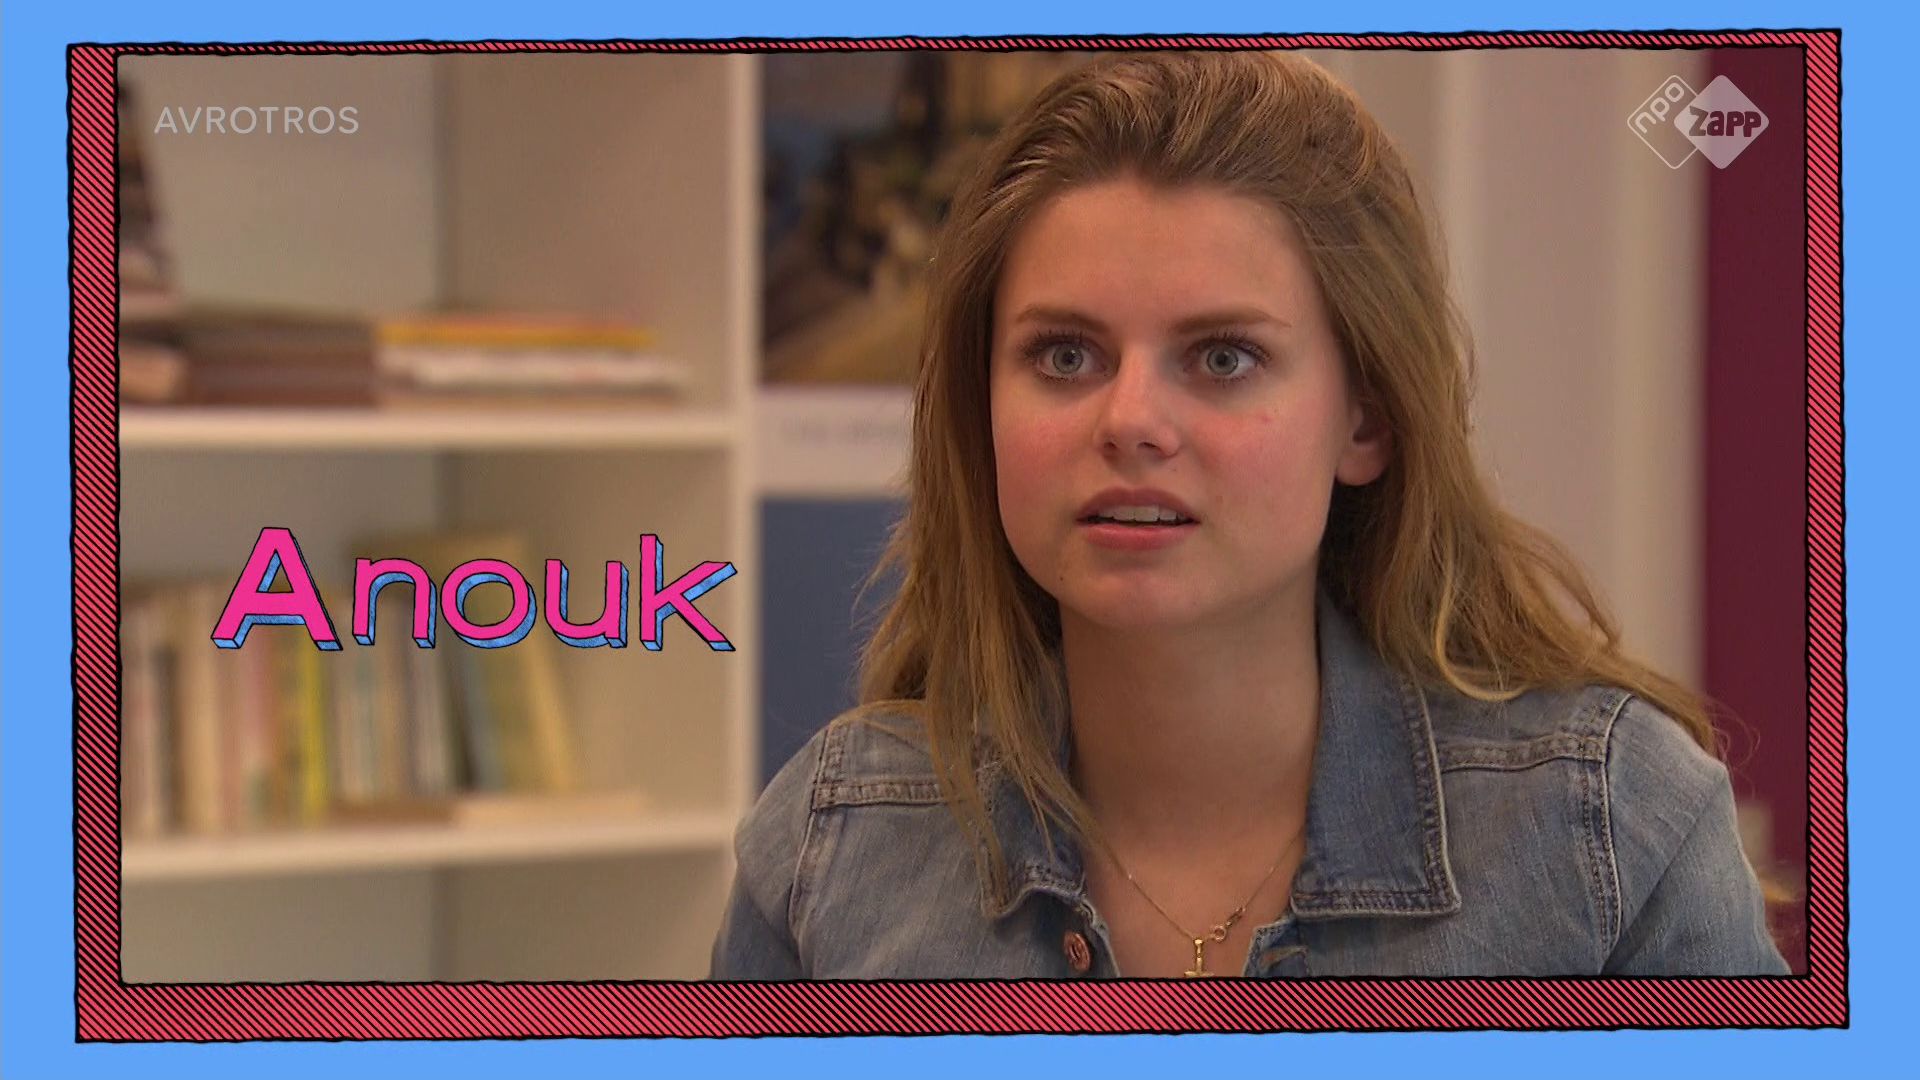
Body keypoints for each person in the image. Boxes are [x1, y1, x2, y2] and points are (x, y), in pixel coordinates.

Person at [711, 50, 1790, 979]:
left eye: (1223, 357)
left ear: (1366, 418)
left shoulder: (1608, 833)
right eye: (1065, 355)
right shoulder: (830, 850)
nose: (1131, 421)